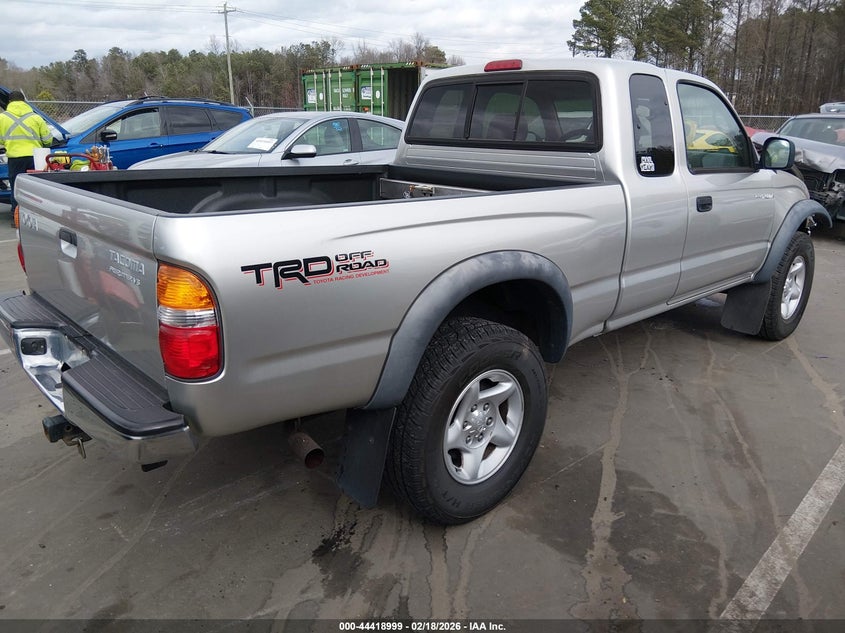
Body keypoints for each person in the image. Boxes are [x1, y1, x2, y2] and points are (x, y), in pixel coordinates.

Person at [0, 90, 53, 226]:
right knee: (35, 187)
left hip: (15, 158)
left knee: (16, 187)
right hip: (35, 157)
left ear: (10, 102)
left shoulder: (2, 118)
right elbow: (48, 140)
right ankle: (37, 217)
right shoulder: (35, 117)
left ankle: (16, 217)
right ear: (24, 101)